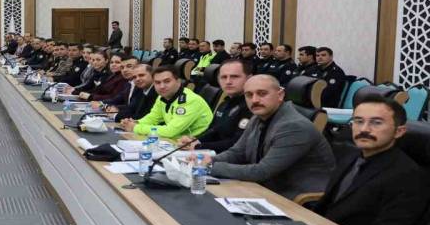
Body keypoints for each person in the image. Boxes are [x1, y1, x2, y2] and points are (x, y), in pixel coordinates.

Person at [313, 98, 430, 225]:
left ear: (399, 131)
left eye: (376, 123)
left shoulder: (408, 176)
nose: (364, 129)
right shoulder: (352, 155)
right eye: (358, 121)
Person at [201, 74, 335, 198]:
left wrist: (210, 167)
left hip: (298, 198)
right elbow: (237, 152)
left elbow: (262, 172)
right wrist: (208, 160)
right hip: (267, 188)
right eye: (249, 95)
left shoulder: (294, 126)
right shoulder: (258, 117)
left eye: (262, 93)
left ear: (280, 95)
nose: (255, 100)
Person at [179, 59, 254, 153]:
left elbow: (238, 143)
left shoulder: (252, 106)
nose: (228, 81)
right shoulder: (225, 102)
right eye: (223, 77)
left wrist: (199, 146)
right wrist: (194, 140)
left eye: (234, 76)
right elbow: (213, 131)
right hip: (215, 154)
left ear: (249, 78)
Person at [120, 66, 213, 139]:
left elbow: (170, 131)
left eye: (167, 81)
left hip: (196, 144)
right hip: (176, 141)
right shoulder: (162, 96)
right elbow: (153, 118)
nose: (162, 86)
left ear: (178, 82)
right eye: (157, 82)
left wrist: (135, 128)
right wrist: (136, 122)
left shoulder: (190, 100)